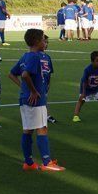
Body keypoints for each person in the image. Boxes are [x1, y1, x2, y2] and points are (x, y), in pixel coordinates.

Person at [9, 29, 64, 171]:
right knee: (42, 128)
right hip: (35, 100)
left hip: (24, 99)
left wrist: (25, 88)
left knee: (27, 130)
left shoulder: (25, 56)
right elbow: (26, 75)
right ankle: (47, 163)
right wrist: (33, 90)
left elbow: (12, 73)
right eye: (42, 40)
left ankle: (28, 162)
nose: (44, 42)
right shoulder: (34, 57)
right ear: (36, 42)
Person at [73, 51, 98, 122]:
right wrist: (83, 93)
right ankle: (76, 116)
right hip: (86, 88)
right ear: (92, 61)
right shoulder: (87, 69)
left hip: (96, 88)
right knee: (81, 100)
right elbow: (84, 82)